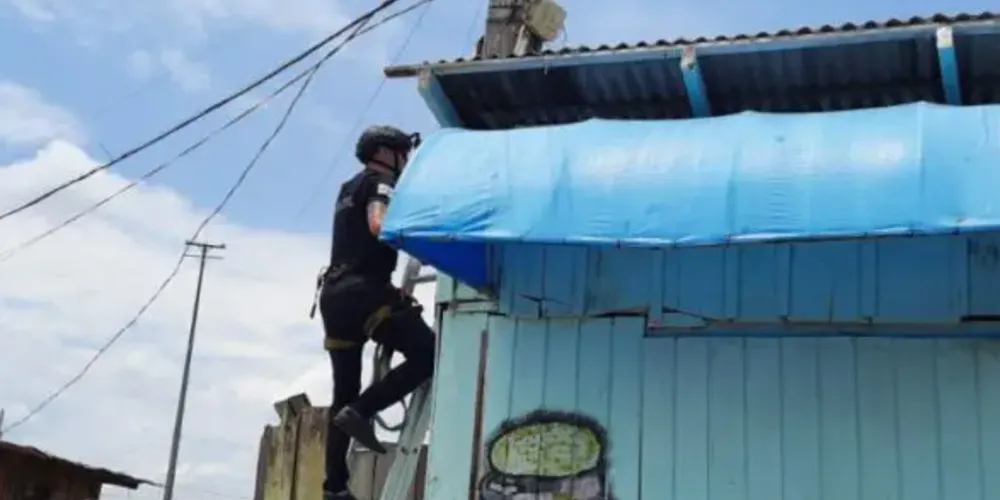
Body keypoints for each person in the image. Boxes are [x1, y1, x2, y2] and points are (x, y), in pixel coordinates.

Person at [314, 125, 436, 500]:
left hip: (333, 296)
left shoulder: (347, 188)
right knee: (429, 354)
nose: (405, 161)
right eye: (402, 153)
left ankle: (335, 488)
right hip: (365, 292)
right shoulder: (381, 183)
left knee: (342, 394)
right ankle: (363, 410)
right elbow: (377, 222)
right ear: (384, 153)